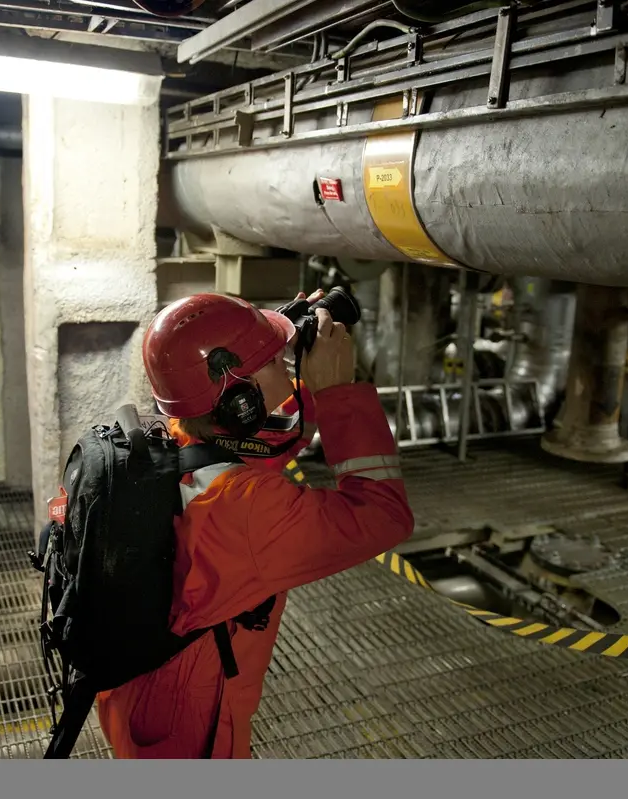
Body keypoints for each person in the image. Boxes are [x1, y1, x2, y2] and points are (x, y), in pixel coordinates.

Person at [96, 290, 415, 758]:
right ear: (238, 402)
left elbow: (259, 446)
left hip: (134, 692)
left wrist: (300, 371)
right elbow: (385, 516)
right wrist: (336, 393)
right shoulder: (248, 509)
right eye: (273, 359)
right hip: (188, 726)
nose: (283, 364)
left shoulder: (174, 440)